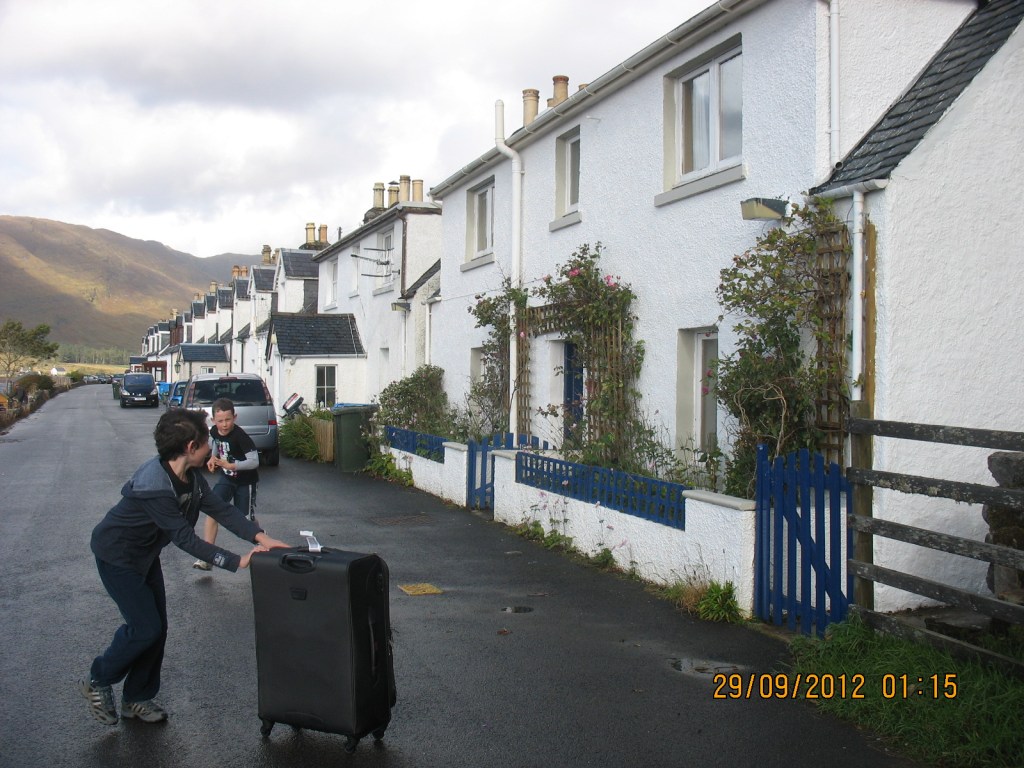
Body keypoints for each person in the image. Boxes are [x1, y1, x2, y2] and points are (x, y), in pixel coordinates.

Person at [80, 408, 289, 726]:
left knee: (157, 628)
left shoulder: (190, 478)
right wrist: (235, 561)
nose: (211, 443)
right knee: (144, 628)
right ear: (192, 447)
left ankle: (136, 697)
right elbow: (185, 539)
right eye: (207, 439)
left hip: (144, 555)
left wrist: (262, 537)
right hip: (117, 557)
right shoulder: (155, 486)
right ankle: (99, 678)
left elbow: (221, 510)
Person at [192, 397, 259, 571]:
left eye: (228, 420)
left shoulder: (240, 437)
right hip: (227, 479)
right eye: (220, 421)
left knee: (246, 520)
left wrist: (233, 465)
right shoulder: (214, 431)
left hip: (245, 481)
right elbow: (216, 444)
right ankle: (207, 558)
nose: (224, 424)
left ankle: (265, 548)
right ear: (213, 420)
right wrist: (213, 458)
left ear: (234, 417)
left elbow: (254, 461)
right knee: (212, 511)